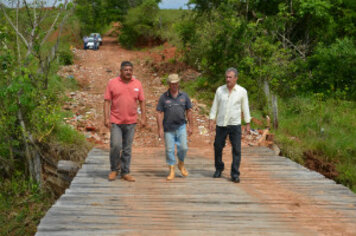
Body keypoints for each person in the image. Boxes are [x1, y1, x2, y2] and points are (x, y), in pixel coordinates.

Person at [104, 61, 146, 182]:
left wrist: (143, 117)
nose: (128, 72)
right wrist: (106, 118)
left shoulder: (137, 84)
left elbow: (142, 101)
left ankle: (125, 172)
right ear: (121, 71)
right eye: (126, 70)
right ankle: (114, 169)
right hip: (116, 121)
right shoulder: (112, 83)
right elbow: (107, 101)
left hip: (131, 121)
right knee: (116, 146)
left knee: (127, 148)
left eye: (130, 70)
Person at [209, 67, 251, 183]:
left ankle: (235, 173)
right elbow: (215, 105)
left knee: (237, 149)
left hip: (235, 124)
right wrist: (211, 119)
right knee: (217, 146)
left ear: (236, 78)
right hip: (221, 123)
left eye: (230, 77)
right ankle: (219, 168)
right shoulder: (220, 90)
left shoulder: (242, 91)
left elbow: (245, 107)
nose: (228, 79)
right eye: (226, 77)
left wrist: (247, 123)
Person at [156, 74, 193, 181]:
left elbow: (189, 111)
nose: (174, 85)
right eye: (172, 83)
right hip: (168, 128)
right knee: (169, 150)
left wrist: (191, 126)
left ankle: (181, 163)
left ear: (178, 83)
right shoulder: (164, 97)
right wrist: (160, 129)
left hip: (181, 126)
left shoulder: (184, 96)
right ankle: (171, 168)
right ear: (169, 84)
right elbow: (159, 113)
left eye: (176, 83)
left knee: (184, 147)